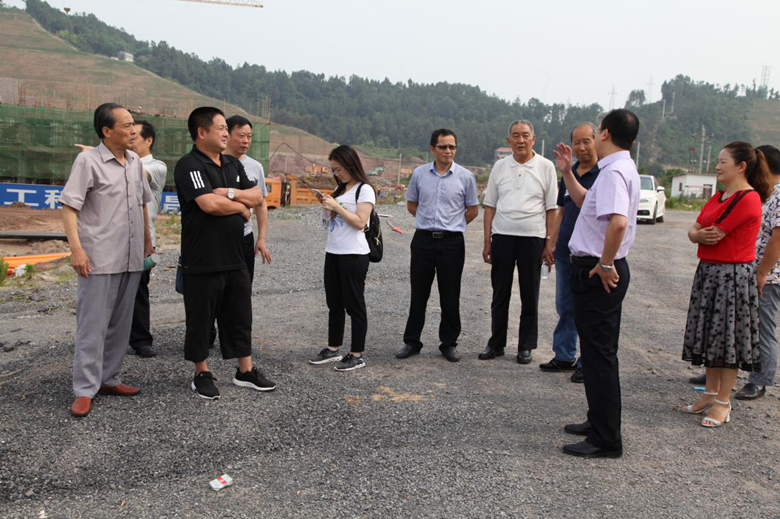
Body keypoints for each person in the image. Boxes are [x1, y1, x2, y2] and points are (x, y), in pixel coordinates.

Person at [553, 109, 641, 458]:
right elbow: (586, 203)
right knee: (595, 353)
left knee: (600, 356)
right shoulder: (616, 169)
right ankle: (598, 421)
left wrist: (605, 263)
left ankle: (606, 438)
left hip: (598, 271)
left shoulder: (615, 172)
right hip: (594, 268)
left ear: (604, 133)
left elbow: (617, 223)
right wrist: (567, 172)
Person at [174, 106, 276, 400]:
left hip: (235, 255)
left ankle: (245, 370)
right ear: (201, 132)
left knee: (240, 314)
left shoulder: (231, 163)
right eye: (219, 128)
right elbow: (208, 204)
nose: (224, 133)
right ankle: (201, 373)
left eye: (224, 128)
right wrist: (240, 208)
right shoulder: (190, 165)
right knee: (201, 319)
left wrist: (231, 194)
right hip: (203, 258)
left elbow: (256, 196)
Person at [61, 102, 153, 418]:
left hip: (130, 256)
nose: (133, 130)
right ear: (106, 131)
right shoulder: (87, 161)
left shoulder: (134, 162)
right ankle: (84, 389)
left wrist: (147, 240)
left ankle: (109, 379)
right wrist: (76, 250)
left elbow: (143, 203)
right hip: (98, 257)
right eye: (126, 125)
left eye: (133, 124)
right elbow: (69, 207)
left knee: (121, 324)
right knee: (92, 326)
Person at [680, 141, 773, 424]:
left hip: (732, 276)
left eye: (723, 162)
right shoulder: (719, 196)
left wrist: (697, 234)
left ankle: (723, 402)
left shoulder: (748, 198)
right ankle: (710, 394)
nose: (717, 166)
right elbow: (696, 230)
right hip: (709, 273)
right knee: (711, 336)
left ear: (741, 166)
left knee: (728, 340)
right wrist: (695, 235)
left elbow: (714, 233)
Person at [396, 129, 479, 362]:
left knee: (450, 294)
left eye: (452, 147)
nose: (448, 151)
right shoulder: (419, 174)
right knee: (419, 293)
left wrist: (452, 224)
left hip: (452, 243)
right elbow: (412, 205)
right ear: (432, 149)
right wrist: (428, 222)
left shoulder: (465, 177)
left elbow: (473, 209)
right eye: (443, 147)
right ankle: (412, 342)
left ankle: (449, 343)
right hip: (423, 240)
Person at [480, 120, 557, 364]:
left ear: (533, 139)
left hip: (533, 238)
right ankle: (496, 343)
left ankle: (526, 346)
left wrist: (549, 243)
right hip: (502, 236)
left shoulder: (546, 167)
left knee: (529, 294)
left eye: (525, 135)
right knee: (500, 293)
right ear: (508, 140)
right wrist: (487, 240)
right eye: (515, 135)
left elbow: (552, 209)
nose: (520, 140)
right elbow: (490, 205)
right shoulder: (500, 167)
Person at [541, 123, 600, 383]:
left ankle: (588, 363)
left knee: (589, 310)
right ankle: (564, 355)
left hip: (592, 253)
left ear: (597, 141)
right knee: (565, 306)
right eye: (577, 142)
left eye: (587, 140)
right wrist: (551, 242)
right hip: (566, 253)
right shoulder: (570, 172)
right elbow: (561, 210)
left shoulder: (604, 173)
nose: (581, 147)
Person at [309, 145, 376, 371]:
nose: (336, 173)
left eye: (339, 169)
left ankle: (357, 354)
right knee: (334, 303)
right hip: (334, 251)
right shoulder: (340, 189)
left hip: (354, 254)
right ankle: (333, 348)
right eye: (333, 170)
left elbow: (360, 222)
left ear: (350, 165)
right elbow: (333, 221)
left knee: (354, 304)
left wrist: (336, 206)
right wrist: (327, 206)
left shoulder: (364, 190)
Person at [736, 145, 780, 400]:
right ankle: (722, 372)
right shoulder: (767, 194)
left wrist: (762, 273)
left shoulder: (779, 196)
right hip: (752, 271)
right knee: (743, 325)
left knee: (763, 328)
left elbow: (777, 239)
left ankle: (759, 381)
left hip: (769, 277)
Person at [128, 120, 168, 358]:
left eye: (134, 136)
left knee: (138, 290)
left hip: (142, 240)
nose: (129, 139)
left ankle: (141, 340)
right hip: (115, 237)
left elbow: (137, 174)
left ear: (148, 140)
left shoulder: (156, 166)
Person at [225, 115, 272, 280]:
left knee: (244, 285)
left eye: (249, 136)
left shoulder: (255, 167)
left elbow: (261, 203)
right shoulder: (215, 162)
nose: (246, 141)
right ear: (227, 135)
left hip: (245, 235)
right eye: (241, 135)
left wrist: (261, 238)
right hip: (220, 236)